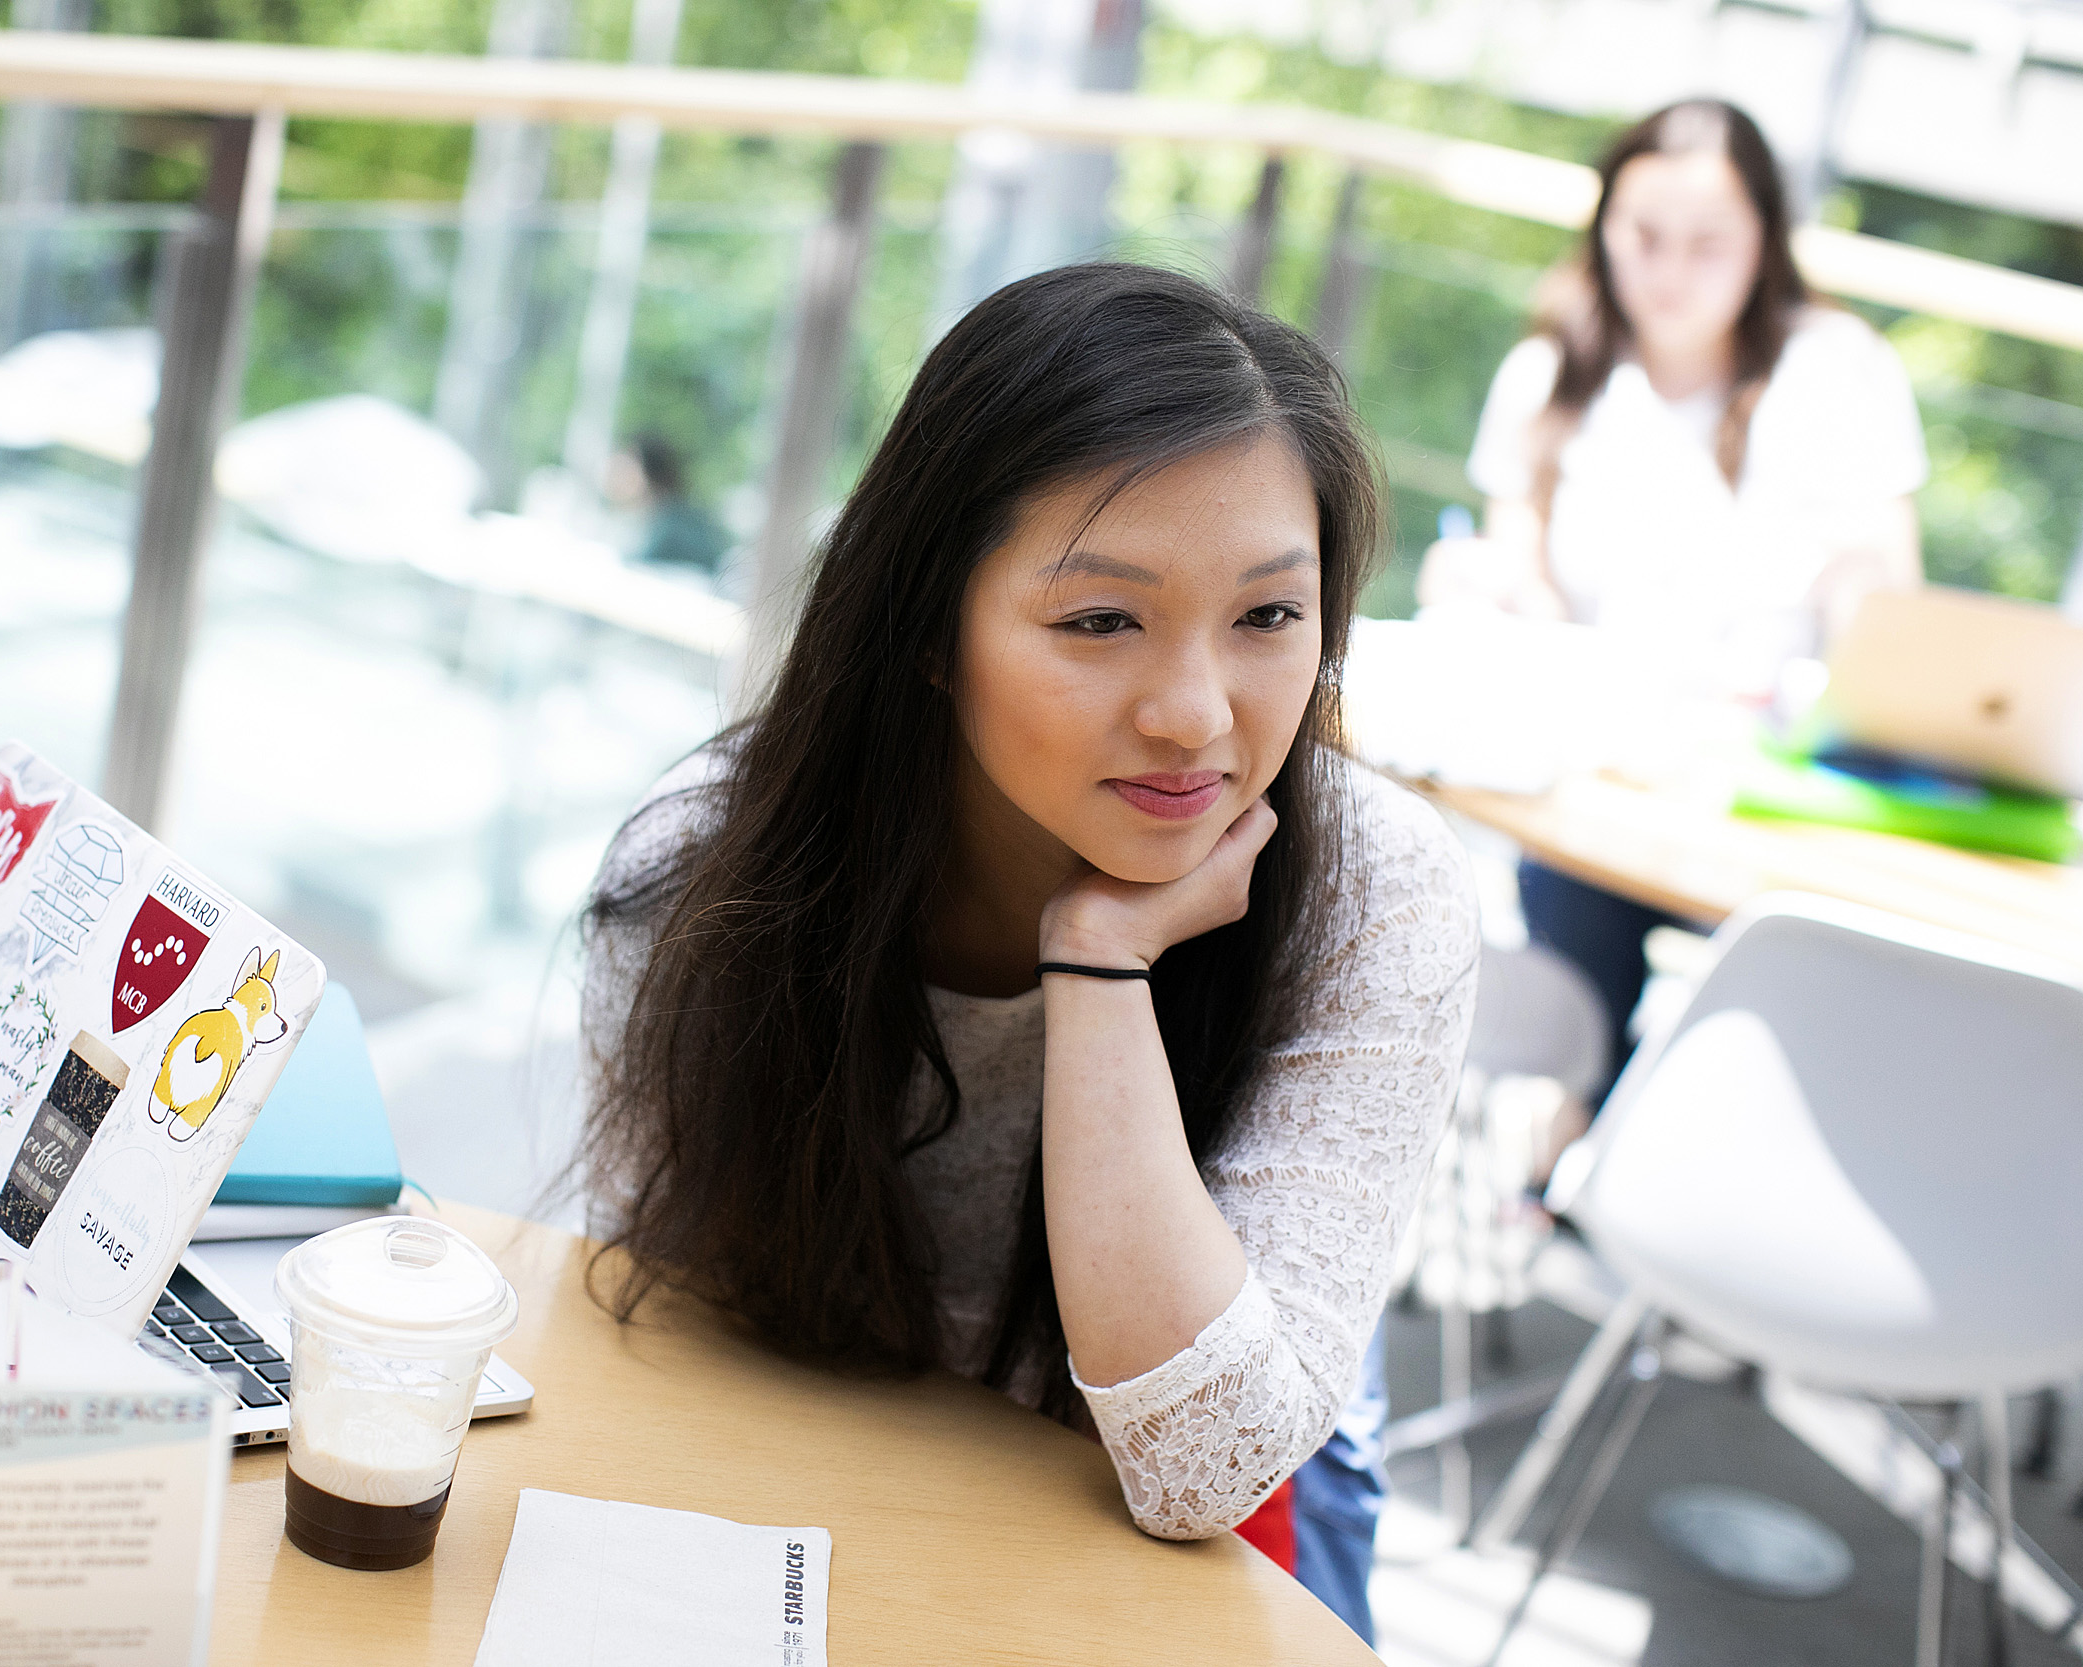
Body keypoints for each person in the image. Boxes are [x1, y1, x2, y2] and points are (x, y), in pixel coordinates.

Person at [578, 264, 1480, 1642]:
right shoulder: (706, 865)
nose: (1196, 714)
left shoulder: (1375, 890)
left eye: (1268, 616)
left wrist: (1102, 959)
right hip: (809, 1501)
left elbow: (1206, 1468)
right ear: (932, 630)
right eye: (1100, 620)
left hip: (1209, 1539)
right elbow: (664, 1338)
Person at [1419, 99, 1927, 1109]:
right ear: (1603, 227)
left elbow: (1890, 610)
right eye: (1644, 237)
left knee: (1777, 1018)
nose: (1670, 271)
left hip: (1768, 793)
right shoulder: (1552, 371)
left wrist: (1853, 576)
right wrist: (1482, 586)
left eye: (1708, 244)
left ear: (1762, 245)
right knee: (1576, 971)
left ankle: (1612, 1156)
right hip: (1598, 773)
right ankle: (1578, 1163)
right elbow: (1519, 575)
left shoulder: (1834, 373)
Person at [607, 432, 730, 576]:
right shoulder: (655, 517)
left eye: (626, 469)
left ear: (648, 473)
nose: (615, 477)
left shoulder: (672, 523)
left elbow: (635, 566)